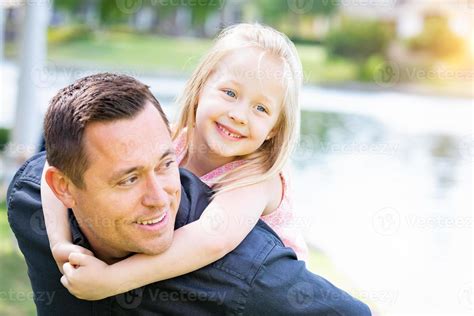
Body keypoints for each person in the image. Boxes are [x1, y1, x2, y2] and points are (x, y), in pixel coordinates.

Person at [8, 72, 371, 315]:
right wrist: (59, 243)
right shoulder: (30, 201)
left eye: (166, 164)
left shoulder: (246, 275)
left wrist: (112, 280)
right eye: (129, 179)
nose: (159, 197)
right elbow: (44, 173)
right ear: (65, 188)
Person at [40, 23, 310, 300]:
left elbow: (212, 239)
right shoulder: (171, 141)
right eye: (230, 93)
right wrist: (61, 244)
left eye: (261, 108)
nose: (239, 115)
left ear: (274, 129)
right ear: (201, 89)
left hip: (262, 296)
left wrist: (111, 280)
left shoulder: (258, 178)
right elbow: (53, 166)